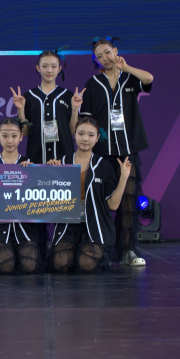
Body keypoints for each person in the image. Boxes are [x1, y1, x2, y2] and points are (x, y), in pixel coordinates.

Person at [79, 37, 154, 267]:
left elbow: (149, 79)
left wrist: (126, 67)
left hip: (127, 151)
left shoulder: (130, 77)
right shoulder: (93, 83)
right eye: (99, 56)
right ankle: (99, 249)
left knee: (128, 203)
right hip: (101, 153)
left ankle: (128, 250)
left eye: (107, 52)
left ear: (115, 51)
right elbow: (87, 119)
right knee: (99, 202)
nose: (104, 58)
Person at [46, 117, 131, 274]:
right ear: (74, 135)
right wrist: (51, 173)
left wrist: (124, 177)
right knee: (60, 264)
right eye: (81, 133)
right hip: (69, 225)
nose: (85, 138)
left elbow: (113, 205)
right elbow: (49, 199)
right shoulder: (62, 162)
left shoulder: (104, 166)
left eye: (91, 135)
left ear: (97, 138)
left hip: (96, 225)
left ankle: (91, 253)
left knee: (86, 264)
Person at [0, 118, 45, 274]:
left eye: (14, 136)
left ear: (21, 136)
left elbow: (40, 200)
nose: (10, 140)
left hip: (23, 228)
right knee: (5, 266)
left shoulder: (29, 164)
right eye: (5, 136)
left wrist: (32, 175)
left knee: (29, 266)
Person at [10, 46, 83, 165]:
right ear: (38, 68)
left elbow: (71, 131)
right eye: (44, 66)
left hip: (63, 158)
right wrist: (20, 109)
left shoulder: (68, 95)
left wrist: (75, 110)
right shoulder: (28, 96)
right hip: (36, 158)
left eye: (54, 66)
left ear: (59, 68)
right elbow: (25, 132)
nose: (49, 70)